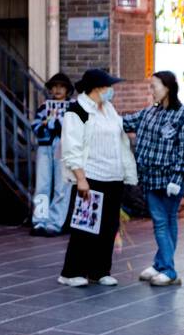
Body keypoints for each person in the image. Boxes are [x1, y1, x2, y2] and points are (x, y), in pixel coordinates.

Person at [58, 68, 138, 287]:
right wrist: (80, 178)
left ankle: (100, 270)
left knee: (109, 227)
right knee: (85, 226)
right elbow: (71, 148)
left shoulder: (109, 109)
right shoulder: (77, 110)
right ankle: (71, 272)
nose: (111, 90)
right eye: (108, 86)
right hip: (91, 176)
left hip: (114, 176)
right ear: (97, 88)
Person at [124, 71, 184, 287]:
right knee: (166, 221)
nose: (151, 91)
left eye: (154, 86)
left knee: (161, 222)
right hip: (150, 178)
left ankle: (169, 270)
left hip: (170, 181)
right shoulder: (149, 113)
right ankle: (160, 264)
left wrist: (178, 177)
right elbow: (125, 123)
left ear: (167, 88)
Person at [31, 73, 74, 236]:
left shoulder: (73, 106)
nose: (57, 89)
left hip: (64, 147)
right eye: (54, 86)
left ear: (67, 90)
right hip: (45, 146)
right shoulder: (44, 106)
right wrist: (54, 125)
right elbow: (35, 126)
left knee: (61, 186)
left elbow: (71, 127)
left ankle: (55, 223)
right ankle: (39, 221)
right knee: (42, 184)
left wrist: (49, 124)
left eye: (61, 86)